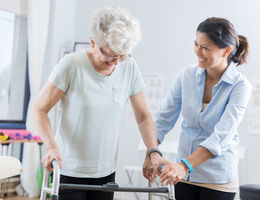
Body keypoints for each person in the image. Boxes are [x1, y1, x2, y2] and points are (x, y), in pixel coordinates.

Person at [33, 6, 165, 200]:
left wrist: (153, 151)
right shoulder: (71, 65)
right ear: (92, 41)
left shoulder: (129, 66)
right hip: (69, 169)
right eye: (110, 56)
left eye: (122, 56)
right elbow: (39, 109)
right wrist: (51, 146)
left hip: (105, 171)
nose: (116, 63)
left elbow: (143, 116)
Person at [143, 17, 252, 200]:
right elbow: (163, 119)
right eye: (196, 44)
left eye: (205, 48)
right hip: (184, 176)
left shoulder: (240, 86)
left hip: (217, 178)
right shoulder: (186, 76)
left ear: (226, 51)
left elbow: (220, 137)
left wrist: (184, 165)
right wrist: (152, 151)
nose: (197, 51)